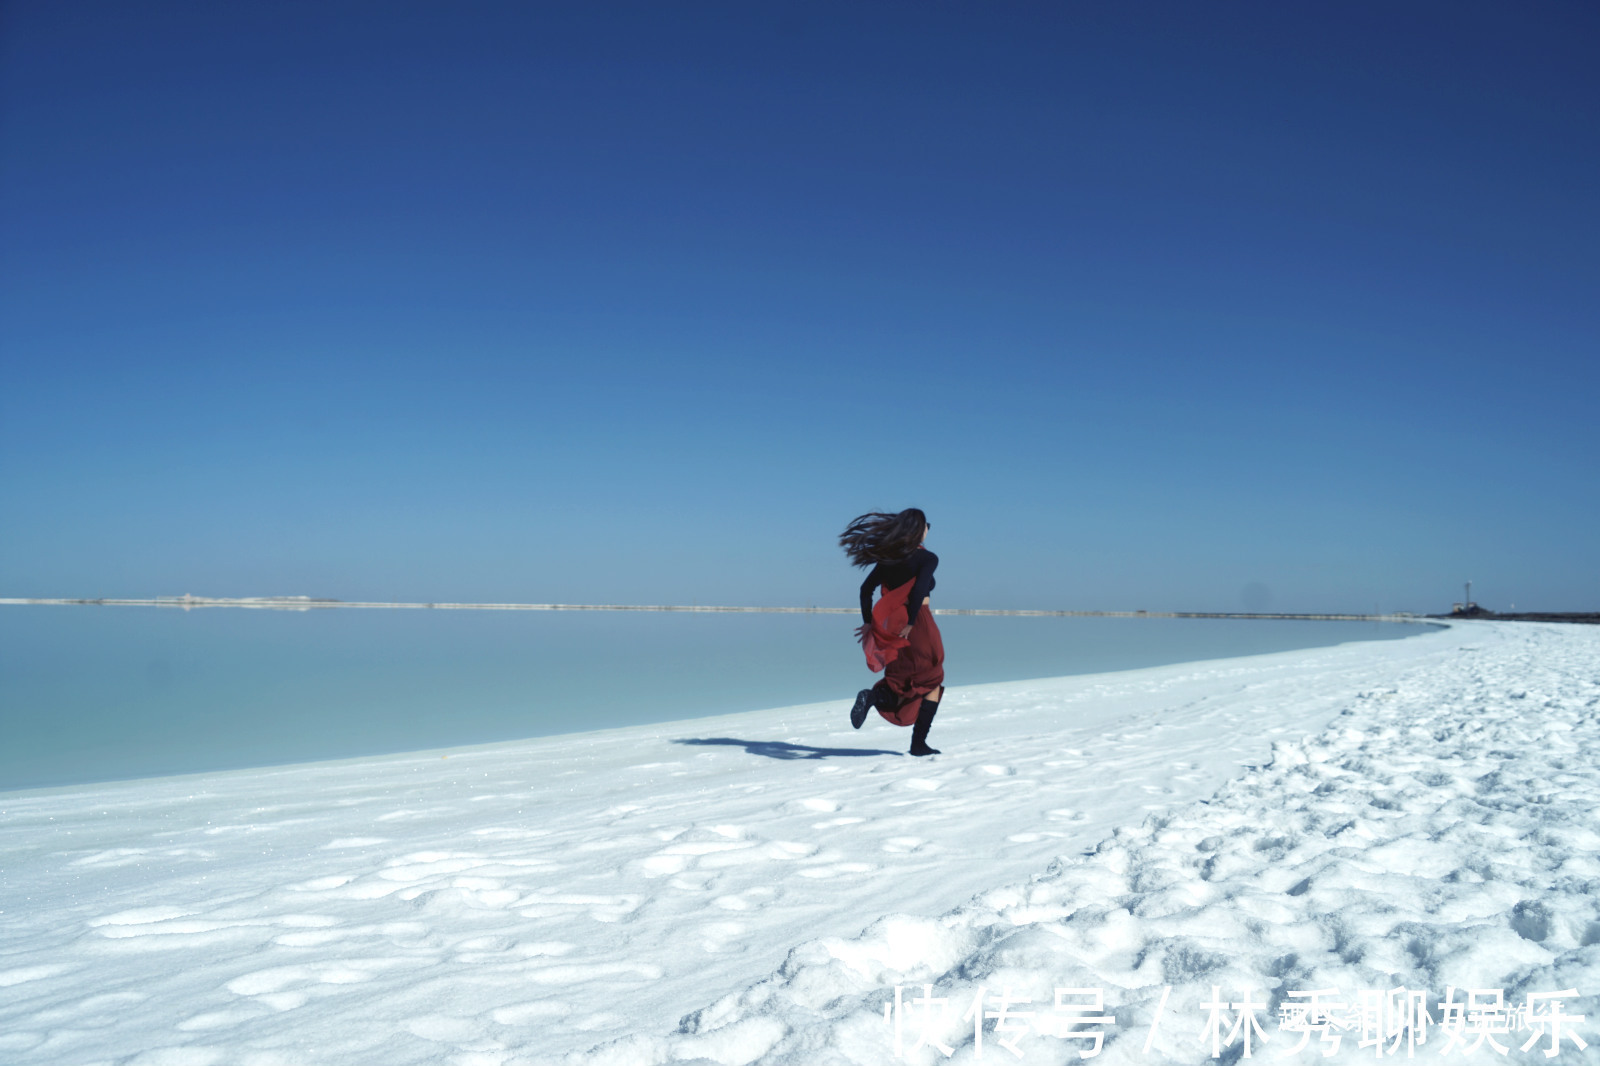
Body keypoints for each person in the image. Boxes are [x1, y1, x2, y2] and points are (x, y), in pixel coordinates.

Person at [839, 508, 944, 756]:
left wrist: (868, 623)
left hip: (892, 626)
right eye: (927, 524)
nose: (929, 528)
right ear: (918, 530)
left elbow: (865, 590)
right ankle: (918, 744)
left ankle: (873, 697)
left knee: (900, 679)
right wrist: (910, 621)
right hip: (917, 622)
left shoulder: (888, 558)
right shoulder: (928, 559)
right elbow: (918, 592)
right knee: (932, 679)